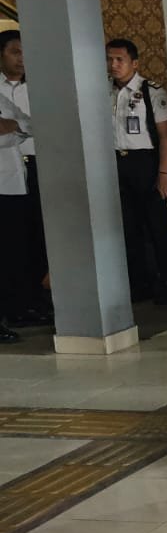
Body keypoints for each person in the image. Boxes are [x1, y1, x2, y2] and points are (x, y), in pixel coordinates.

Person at [106, 38, 167, 305]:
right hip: (117, 162)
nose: (114, 65)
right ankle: (140, 285)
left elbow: (165, 138)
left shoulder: (151, 92)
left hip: (146, 164)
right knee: (128, 228)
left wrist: (163, 173)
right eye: (110, 59)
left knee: (157, 227)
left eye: (120, 60)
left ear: (134, 63)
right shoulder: (105, 91)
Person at [0, 30, 48, 336]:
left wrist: (12, 126)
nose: (22, 59)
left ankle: (23, 305)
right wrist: (13, 130)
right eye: (15, 52)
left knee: (25, 244)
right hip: (6, 178)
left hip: (21, 175)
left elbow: (28, 125)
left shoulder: (38, 85)